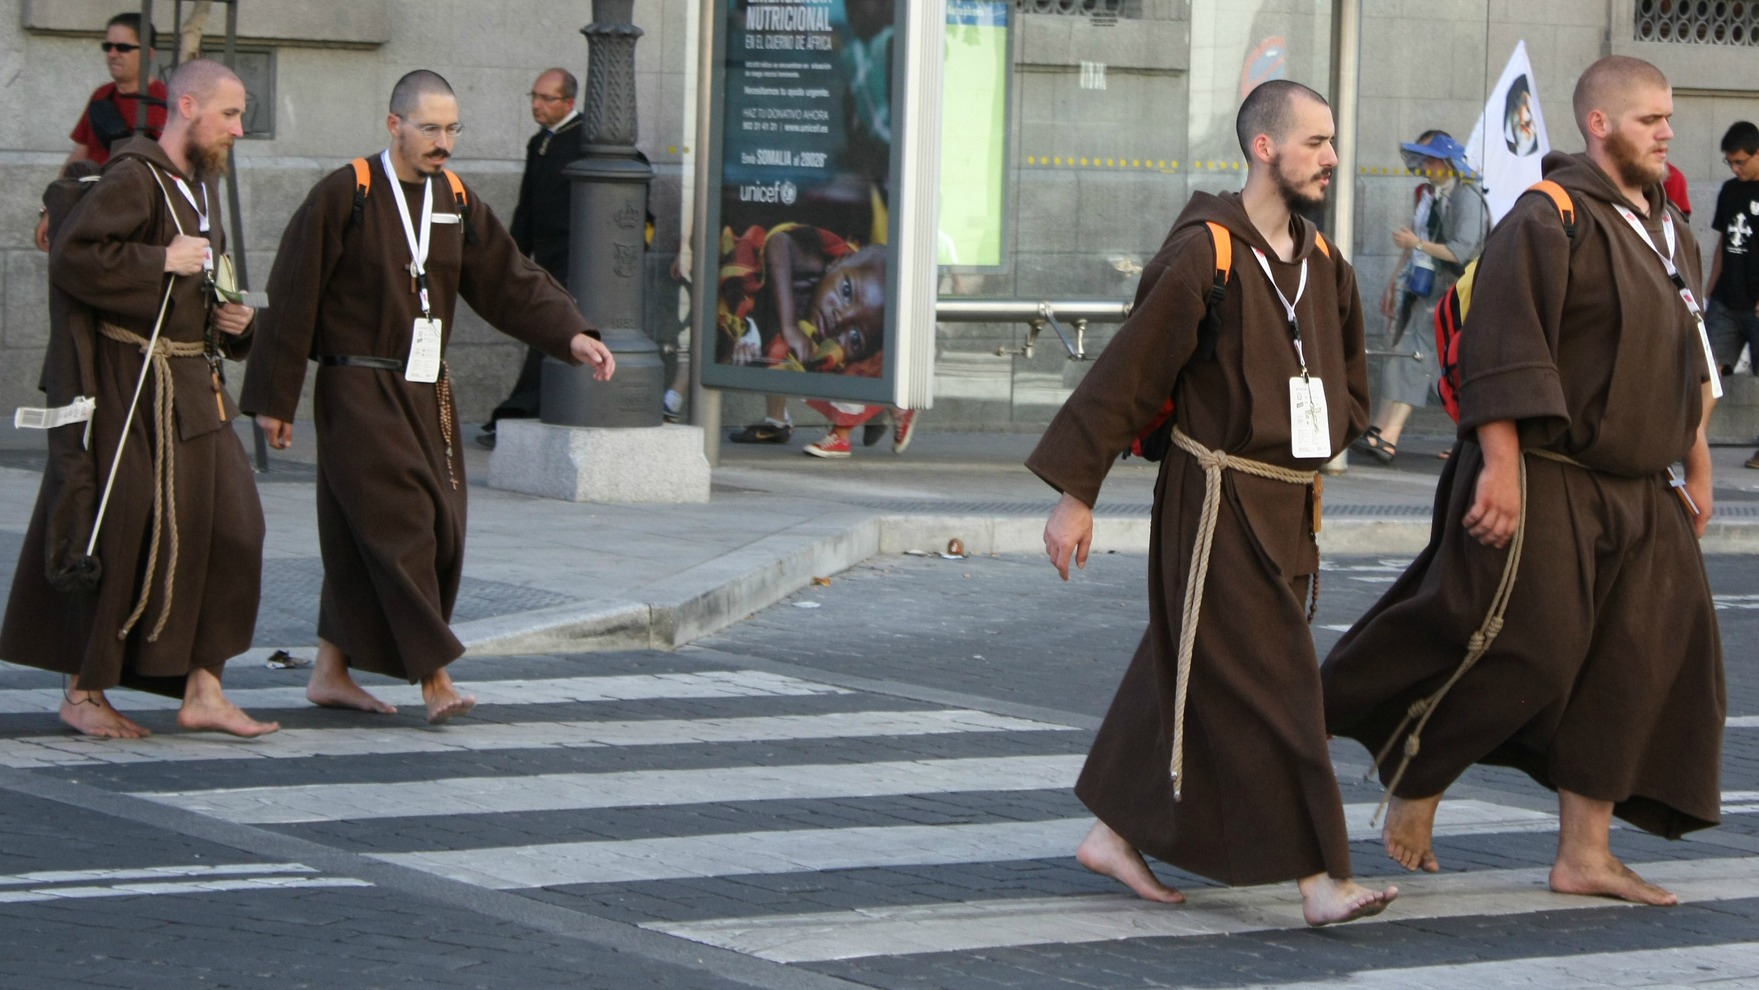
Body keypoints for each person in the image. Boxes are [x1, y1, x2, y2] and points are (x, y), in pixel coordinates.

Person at [1321, 55, 1723, 907]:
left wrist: (1694, 463)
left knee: (1634, 664)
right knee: (1524, 646)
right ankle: (1416, 777)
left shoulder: (1670, 230)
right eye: (1650, 118)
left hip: (1642, 492)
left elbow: (1689, 360)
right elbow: (1505, 341)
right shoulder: (1549, 216)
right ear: (1601, 123)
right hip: (1548, 473)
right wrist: (1498, 466)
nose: (1667, 131)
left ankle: (1585, 853)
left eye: (1669, 117)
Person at [1032, 80, 1395, 926]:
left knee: (1190, 657)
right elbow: (1127, 376)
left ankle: (1112, 834)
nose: (1330, 159)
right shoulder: (1207, 252)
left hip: (1287, 501)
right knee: (1279, 681)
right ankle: (1320, 878)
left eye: (1331, 142)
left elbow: (1349, 389)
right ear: (1264, 148)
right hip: (1214, 497)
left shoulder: (1325, 264)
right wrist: (1075, 495)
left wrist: (1317, 435)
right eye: (1314, 142)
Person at [242, 70, 615, 723]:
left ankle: (329, 672)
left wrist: (573, 333)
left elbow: (510, 279)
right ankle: (434, 675)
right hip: (355, 384)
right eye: (430, 129)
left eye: (451, 130)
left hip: (425, 389)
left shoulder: (456, 199)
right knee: (402, 525)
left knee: (425, 528)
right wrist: (276, 398)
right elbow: (294, 290)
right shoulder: (345, 192)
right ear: (395, 125)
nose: (444, 142)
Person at [2, 59, 276, 739]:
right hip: (132, 382)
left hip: (193, 383)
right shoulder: (134, 175)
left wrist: (232, 321)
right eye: (231, 114)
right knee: (120, 527)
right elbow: (75, 257)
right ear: (187, 106)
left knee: (234, 528)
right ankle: (82, 690)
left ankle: (204, 687)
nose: (240, 129)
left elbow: (202, 287)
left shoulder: (196, 187)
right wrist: (158, 261)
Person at [1352, 131, 1487, 464]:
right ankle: (1380, 428)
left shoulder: (1467, 199)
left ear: (1445, 163)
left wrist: (1416, 245)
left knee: (1416, 357)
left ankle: (1390, 435)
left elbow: (1460, 251)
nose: (1424, 166)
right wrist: (1394, 282)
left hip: (1457, 292)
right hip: (1427, 289)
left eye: (1429, 160)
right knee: (1404, 354)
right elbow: (1417, 240)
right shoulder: (1432, 196)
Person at [476, 68, 588, 450]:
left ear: (569, 103)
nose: (537, 105)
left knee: (552, 332)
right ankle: (522, 411)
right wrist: (509, 256)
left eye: (547, 98)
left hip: (577, 259)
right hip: (546, 259)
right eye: (535, 97)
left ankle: (516, 412)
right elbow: (527, 207)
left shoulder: (588, 139)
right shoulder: (539, 141)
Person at [33, 12, 168, 253]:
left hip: (135, 224)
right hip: (88, 214)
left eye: (123, 47)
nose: (112, 54)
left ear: (148, 53)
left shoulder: (165, 102)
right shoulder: (101, 96)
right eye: (108, 46)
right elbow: (77, 159)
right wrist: (52, 210)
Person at [1703, 122, 1759, 468]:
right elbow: (1724, 240)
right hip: (1726, 299)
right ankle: (1692, 441)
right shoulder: (1729, 191)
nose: (1735, 169)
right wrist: (1711, 287)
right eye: (1730, 163)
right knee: (1708, 371)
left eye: (1741, 162)